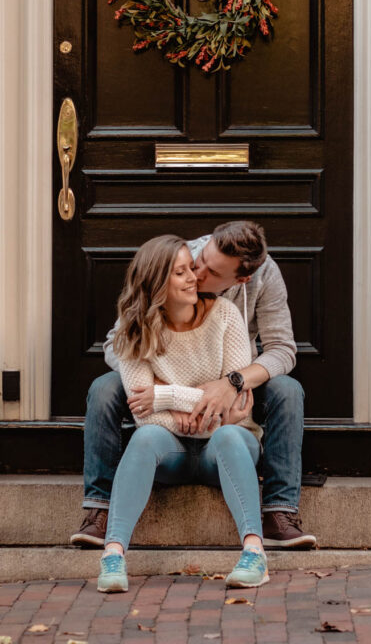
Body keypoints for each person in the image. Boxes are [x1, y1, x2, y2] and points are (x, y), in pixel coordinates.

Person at [71, 220, 316, 550]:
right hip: (164, 383)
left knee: (288, 390)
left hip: (234, 379)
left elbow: (282, 350)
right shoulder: (179, 261)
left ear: (241, 279)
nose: (197, 274)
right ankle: (99, 509)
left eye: (211, 272)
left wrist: (233, 383)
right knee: (104, 388)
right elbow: (120, 341)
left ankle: (278, 511)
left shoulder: (261, 278)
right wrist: (160, 388)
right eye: (198, 261)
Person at [95, 234, 269, 592]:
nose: (194, 277)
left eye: (192, 267)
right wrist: (182, 415)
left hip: (225, 449)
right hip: (170, 451)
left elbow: (236, 407)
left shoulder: (225, 315)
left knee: (229, 435)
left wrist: (167, 395)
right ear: (157, 282)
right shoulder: (135, 330)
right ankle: (112, 555)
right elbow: (143, 412)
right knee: (144, 437)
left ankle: (255, 552)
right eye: (181, 272)